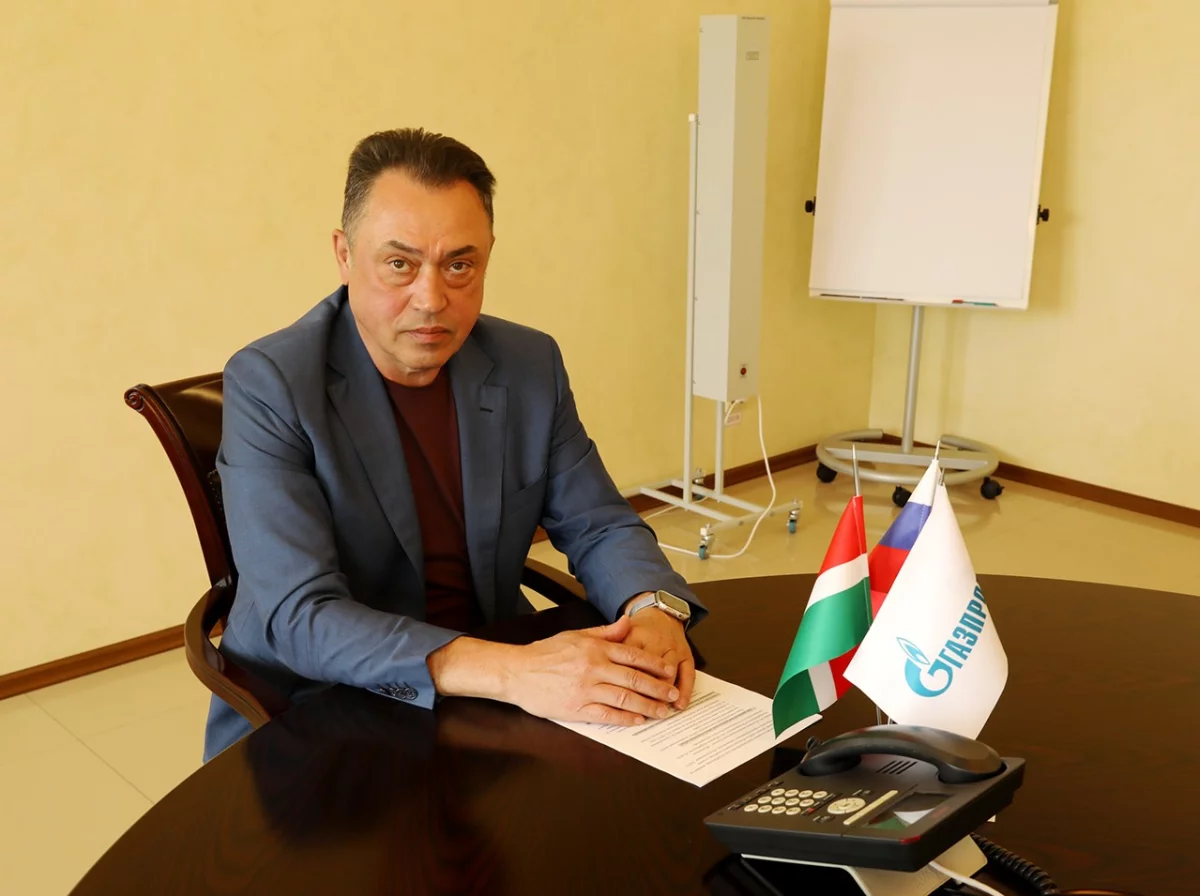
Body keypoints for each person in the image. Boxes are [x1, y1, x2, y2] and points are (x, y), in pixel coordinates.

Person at [204, 128, 705, 760]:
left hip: (491, 695)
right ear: (344, 254)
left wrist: (653, 608)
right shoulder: (271, 383)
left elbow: (599, 522)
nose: (432, 299)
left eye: (459, 265)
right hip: (324, 703)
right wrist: (512, 672)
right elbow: (299, 614)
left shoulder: (528, 364)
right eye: (400, 264)